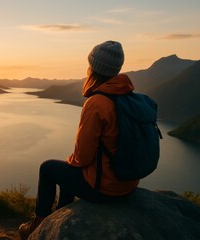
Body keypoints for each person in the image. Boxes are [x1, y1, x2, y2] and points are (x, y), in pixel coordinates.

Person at [19, 40, 139, 240]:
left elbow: (82, 157)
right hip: (128, 184)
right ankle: (60, 215)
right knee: (69, 170)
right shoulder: (129, 97)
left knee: (48, 168)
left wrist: (71, 161)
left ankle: (39, 223)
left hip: (104, 188)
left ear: (94, 68)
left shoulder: (97, 102)